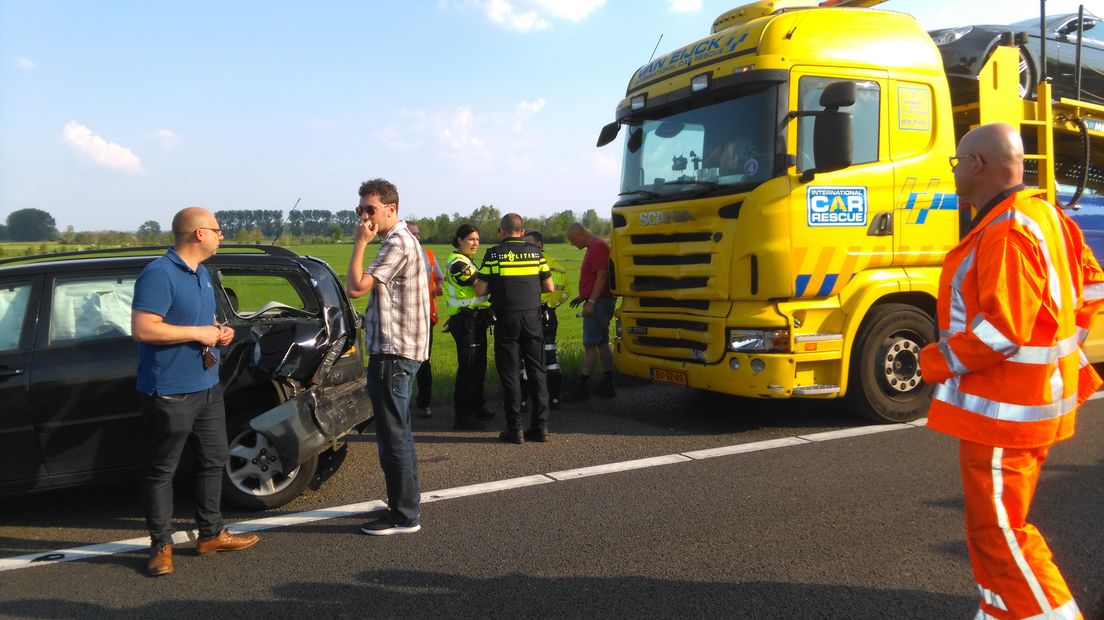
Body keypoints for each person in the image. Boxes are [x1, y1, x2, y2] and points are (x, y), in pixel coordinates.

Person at [918, 123, 1104, 619]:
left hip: (1004, 413)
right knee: (997, 524)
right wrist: (1061, 353)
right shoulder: (1047, 214)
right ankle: (1001, 609)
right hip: (1029, 404)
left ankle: (1049, 613)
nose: (955, 173)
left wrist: (934, 361)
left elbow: (1004, 332)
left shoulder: (1004, 230)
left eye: (958, 163)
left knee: (999, 530)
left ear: (978, 165)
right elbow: (1090, 289)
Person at [131, 207, 260, 577]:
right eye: (217, 230)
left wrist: (219, 330)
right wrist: (198, 334)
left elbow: (199, 323)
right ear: (198, 234)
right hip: (169, 392)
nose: (222, 235)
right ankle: (161, 546)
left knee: (212, 459)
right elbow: (143, 329)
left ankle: (210, 533)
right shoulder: (158, 273)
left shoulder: (201, 273)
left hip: (207, 387)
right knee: (162, 470)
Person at [346, 178, 430, 536]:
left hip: (394, 352)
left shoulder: (396, 242)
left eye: (370, 210)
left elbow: (354, 288)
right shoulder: (402, 238)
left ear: (391, 209)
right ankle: (404, 504)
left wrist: (359, 243)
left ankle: (404, 515)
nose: (364, 216)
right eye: (359, 209)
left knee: (393, 435)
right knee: (398, 431)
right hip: (399, 350)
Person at [473, 213, 554, 443]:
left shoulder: (494, 254)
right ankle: (540, 428)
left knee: (510, 373)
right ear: (522, 230)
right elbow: (548, 285)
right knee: (538, 371)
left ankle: (515, 429)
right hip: (532, 318)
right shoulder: (536, 253)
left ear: (501, 231)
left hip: (506, 320)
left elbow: (480, 290)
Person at [442, 224, 494, 431]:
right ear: (459, 240)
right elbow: (480, 288)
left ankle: (477, 407)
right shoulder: (458, 264)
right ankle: (463, 416)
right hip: (466, 322)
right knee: (469, 369)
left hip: (475, 320)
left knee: (479, 366)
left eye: (478, 240)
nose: (475, 243)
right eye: (471, 239)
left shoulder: (467, 261)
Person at [565, 222, 617, 400]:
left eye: (572, 239)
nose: (572, 244)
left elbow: (602, 276)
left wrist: (591, 302)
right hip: (599, 300)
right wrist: (583, 296)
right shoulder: (595, 246)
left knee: (590, 344)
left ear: (582, 233)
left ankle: (582, 387)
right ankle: (607, 382)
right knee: (602, 342)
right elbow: (595, 277)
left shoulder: (597, 247)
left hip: (599, 302)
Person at [522, 230, 571, 410]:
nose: (524, 248)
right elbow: (566, 292)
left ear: (539, 246)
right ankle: (555, 397)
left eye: (527, 244)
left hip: (532, 314)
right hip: (551, 315)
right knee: (551, 358)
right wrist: (553, 304)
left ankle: (524, 400)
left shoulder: (531, 265)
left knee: (526, 358)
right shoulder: (558, 266)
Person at [407, 223, 444, 419]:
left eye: (418, 233)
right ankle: (402, 403)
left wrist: (439, 287)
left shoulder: (429, 254)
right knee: (404, 362)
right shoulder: (398, 255)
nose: (417, 237)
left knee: (424, 361)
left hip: (427, 316)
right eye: (413, 233)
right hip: (406, 317)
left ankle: (424, 404)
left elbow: (439, 277)